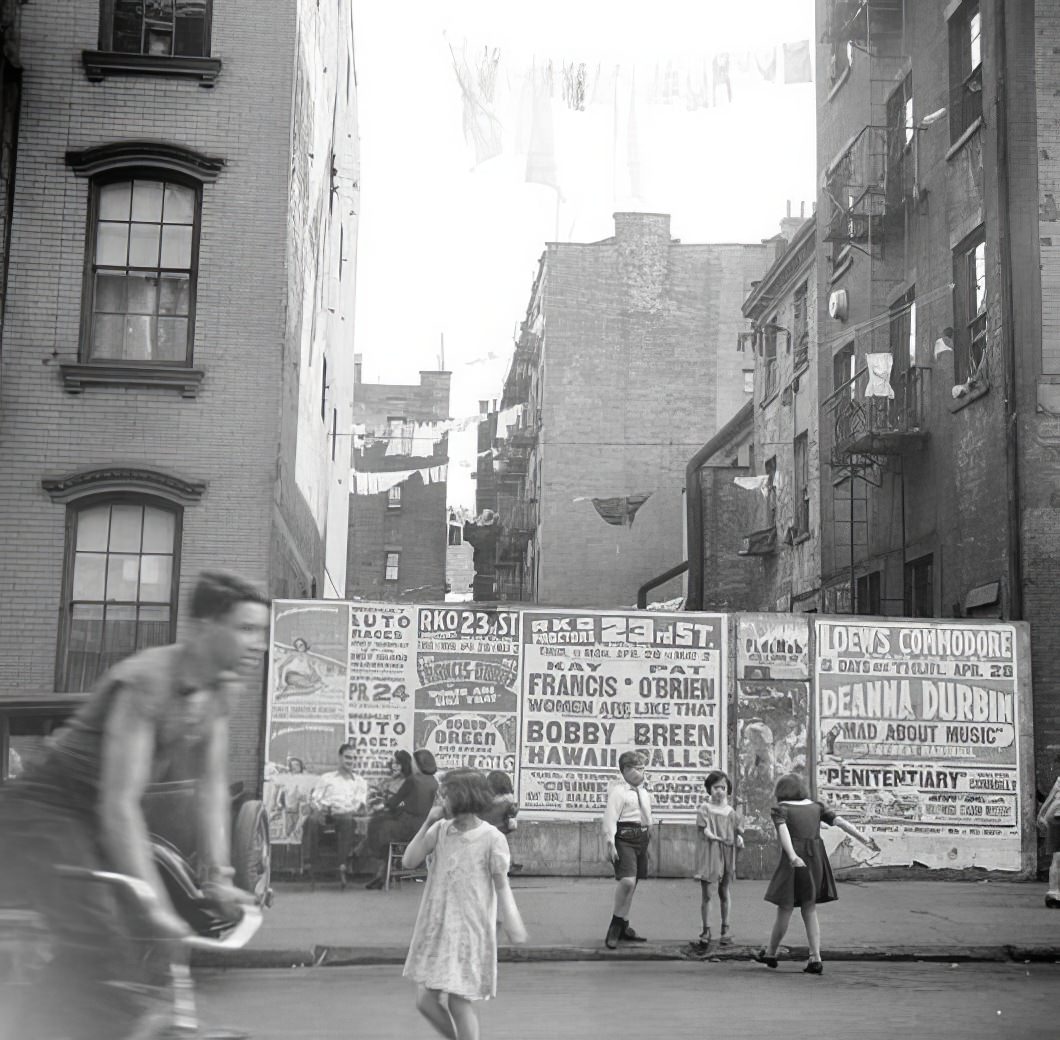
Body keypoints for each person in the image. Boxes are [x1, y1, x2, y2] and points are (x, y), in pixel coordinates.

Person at [0, 570, 269, 1040]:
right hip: (48, 812)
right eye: (246, 629)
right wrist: (157, 907)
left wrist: (219, 880)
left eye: (261, 632)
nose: (258, 645)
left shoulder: (221, 689)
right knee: (101, 934)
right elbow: (119, 804)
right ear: (206, 626)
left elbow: (210, 786)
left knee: (111, 947)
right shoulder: (146, 681)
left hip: (92, 823)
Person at [402, 768, 527, 1040]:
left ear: (462, 797)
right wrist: (427, 821)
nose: (439, 802)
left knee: (459, 1001)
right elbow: (409, 861)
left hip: (471, 929)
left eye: (444, 796)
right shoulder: (440, 830)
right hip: (437, 926)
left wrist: (512, 920)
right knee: (425, 1000)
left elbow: (502, 887)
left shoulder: (492, 838)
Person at [752, 772, 878, 975]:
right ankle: (815, 957)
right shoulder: (816, 807)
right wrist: (864, 838)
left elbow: (784, 833)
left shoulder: (781, 809)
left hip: (795, 862)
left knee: (785, 908)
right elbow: (841, 822)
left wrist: (792, 856)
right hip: (816, 861)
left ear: (781, 792)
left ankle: (771, 953)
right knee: (809, 909)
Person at [361, 748, 439, 890]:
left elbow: (395, 802)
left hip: (407, 826)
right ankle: (382, 873)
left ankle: (380, 869)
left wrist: (384, 805)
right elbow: (413, 803)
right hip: (423, 827)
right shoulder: (434, 782)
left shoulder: (412, 780)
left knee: (376, 824)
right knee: (383, 827)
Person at [601, 750, 652, 949]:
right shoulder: (619, 792)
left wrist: (649, 838)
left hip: (642, 838)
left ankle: (624, 926)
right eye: (638, 769)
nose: (643, 772)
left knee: (634, 884)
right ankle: (615, 925)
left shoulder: (644, 792)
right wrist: (610, 843)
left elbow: (647, 816)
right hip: (624, 837)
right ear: (626, 770)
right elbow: (610, 818)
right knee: (627, 882)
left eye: (643, 768)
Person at [301, 743, 368, 887]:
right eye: (347, 757)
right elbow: (315, 798)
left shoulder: (360, 782)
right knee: (311, 820)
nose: (350, 761)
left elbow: (359, 804)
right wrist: (321, 808)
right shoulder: (327, 778)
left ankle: (342, 863)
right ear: (340, 757)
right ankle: (309, 862)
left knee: (348, 821)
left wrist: (343, 809)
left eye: (353, 758)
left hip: (344, 814)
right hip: (325, 812)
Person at [691, 769, 744, 952]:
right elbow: (703, 829)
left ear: (727, 789)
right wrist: (711, 835)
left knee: (724, 890)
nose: (719, 791)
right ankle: (706, 930)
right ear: (709, 789)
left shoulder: (730, 811)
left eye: (723, 787)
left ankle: (725, 929)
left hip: (727, 851)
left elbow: (737, 829)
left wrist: (739, 838)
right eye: (716, 787)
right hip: (710, 852)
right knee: (707, 893)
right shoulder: (705, 809)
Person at [1037, 775, 1060, 909]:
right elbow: (1052, 796)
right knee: (1057, 857)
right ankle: (1053, 893)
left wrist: (1041, 814)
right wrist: (1041, 814)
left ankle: (1054, 893)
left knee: (1057, 857)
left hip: (1055, 817)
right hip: (1056, 818)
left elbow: (1051, 796)